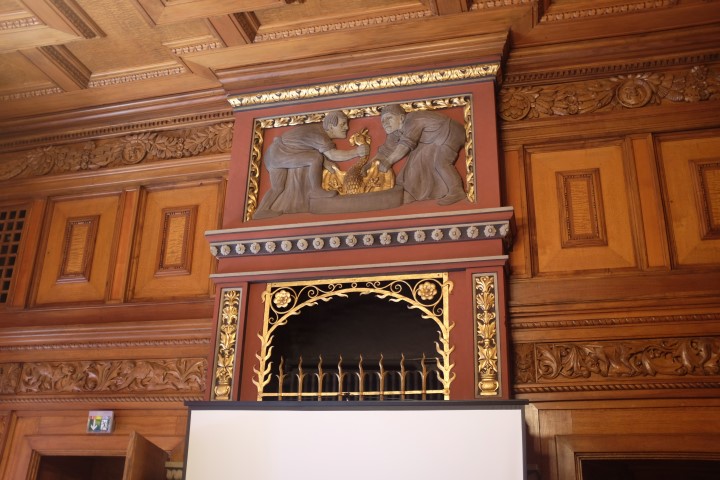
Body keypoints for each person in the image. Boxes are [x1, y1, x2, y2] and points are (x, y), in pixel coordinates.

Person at [254, 111, 369, 219]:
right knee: (315, 158)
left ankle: (261, 210)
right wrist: (356, 152)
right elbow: (333, 155)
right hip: (281, 153)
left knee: (278, 188)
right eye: (343, 124)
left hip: (272, 155)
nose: (347, 127)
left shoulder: (315, 130)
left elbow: (305, 146)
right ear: (330, 127)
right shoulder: (319, 135)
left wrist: (325, 162)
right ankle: (316, 191)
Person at [370, 104, 466, 205]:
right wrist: (368, 166)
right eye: (382, 121)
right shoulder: (395, 132)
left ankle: (457, 191)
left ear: (401, 118)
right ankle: (411, 192)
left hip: (451, 132)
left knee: (441, 163)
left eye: (389, 118)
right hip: (434, 141)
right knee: (415, 159)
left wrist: (389, 161)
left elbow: (405, 146)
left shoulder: (412, 120)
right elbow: (385, 151)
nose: (385, 123)